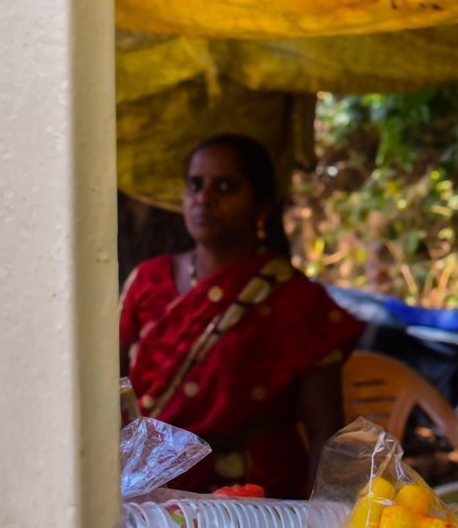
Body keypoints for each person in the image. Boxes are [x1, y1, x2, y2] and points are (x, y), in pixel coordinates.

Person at [119, 133, 363, 498]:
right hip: (151, 489)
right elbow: (107, 388)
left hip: (257, 493)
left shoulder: (298, 301)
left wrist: (316, 519)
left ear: (262, 207)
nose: (204, 198)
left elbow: (324, 434)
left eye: (225, 186)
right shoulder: (148, 280)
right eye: (195, 185)